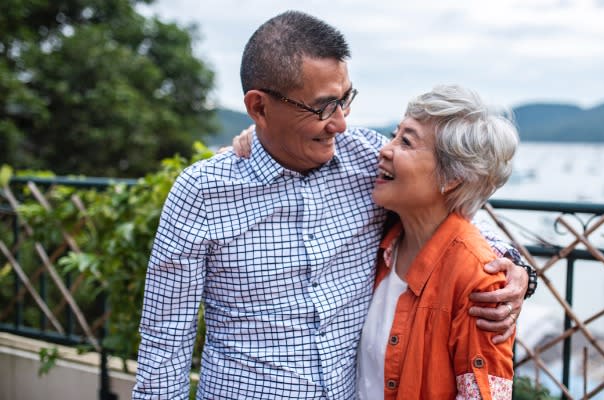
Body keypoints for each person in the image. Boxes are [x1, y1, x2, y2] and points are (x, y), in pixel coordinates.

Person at [133, 10, 535, 399]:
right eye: (324, 106)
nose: (341, 122)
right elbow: (165, 341)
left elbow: (444, 214)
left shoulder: (369, 160)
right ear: (259, 107)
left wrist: (514, 268)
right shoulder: (202, 193)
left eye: (346, 99)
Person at [356, 84, 518, 399]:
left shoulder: (479, 281)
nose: (385, 150)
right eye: (394, 134)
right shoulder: (383, 242)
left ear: (452, 177)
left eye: (406, 141)